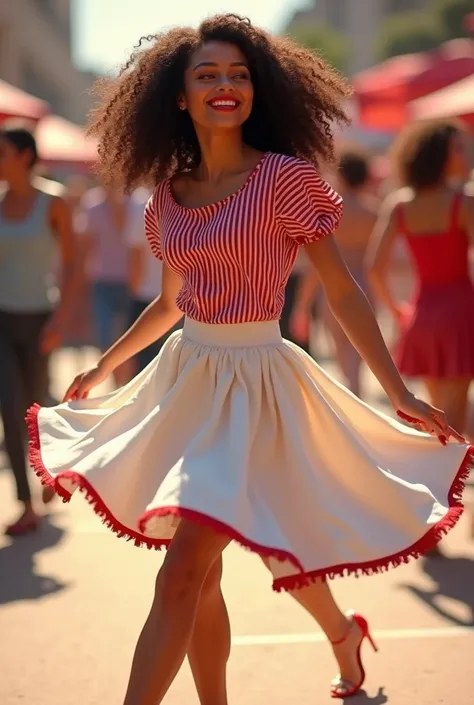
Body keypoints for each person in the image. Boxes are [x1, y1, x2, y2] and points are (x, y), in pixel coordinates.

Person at [26, 16, 470, 704]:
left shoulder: (285, 179)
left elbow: (346, 293)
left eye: (238, 74)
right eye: (207, 75)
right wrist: (105, 363)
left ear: (256, 91)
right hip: (188, 377)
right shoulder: (167, 199)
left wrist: (399, 392)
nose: (225, 85)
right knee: (201, 570)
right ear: (179, 95)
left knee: (189, 568)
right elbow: (173, 302)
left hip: (259, 380)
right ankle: (324, 643)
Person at [367, 120, 474, 444]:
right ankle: (448, 488)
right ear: (439, 155)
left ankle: (439, 483)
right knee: (454, 412)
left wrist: (398, 311)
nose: (465, 154)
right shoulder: (463, 203)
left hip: (422, 313)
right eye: (458, 148)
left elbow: (374, 268)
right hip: (460, 310)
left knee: (436, 412)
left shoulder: (400, 204)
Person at [0, 126, 77, 535]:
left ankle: (54, 468)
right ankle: (26, 504)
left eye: (3, 153)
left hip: (39, 319)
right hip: (2, 319)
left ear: (25, 157)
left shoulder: (53, 202)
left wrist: (62, 319)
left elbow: (72, 264)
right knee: (9, 407)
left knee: (36, 408)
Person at [291, 148, 379, 396]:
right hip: (365, 285)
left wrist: (302, 305)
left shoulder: (330, 210)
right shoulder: (373, 212)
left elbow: (316, 266)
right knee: (362, 349)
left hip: (332, 286)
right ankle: (357, 392)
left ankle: (354, 395)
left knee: (341, 348)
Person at [76, 182, 134, 387]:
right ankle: (117, 387)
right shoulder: (92, 203)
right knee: (105, 339)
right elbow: (84, 248)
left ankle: (122, 387)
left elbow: (130, 237)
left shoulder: (135, 202)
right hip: (101, 283)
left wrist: (116, 204)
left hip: (131, 284)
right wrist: (80, 286)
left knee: (129, 341)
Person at [126, 187, 183, 374]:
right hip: (175, 300)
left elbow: (136, 251)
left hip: (153, 298)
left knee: (148, 370)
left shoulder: (143, 201)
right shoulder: (147, 201)